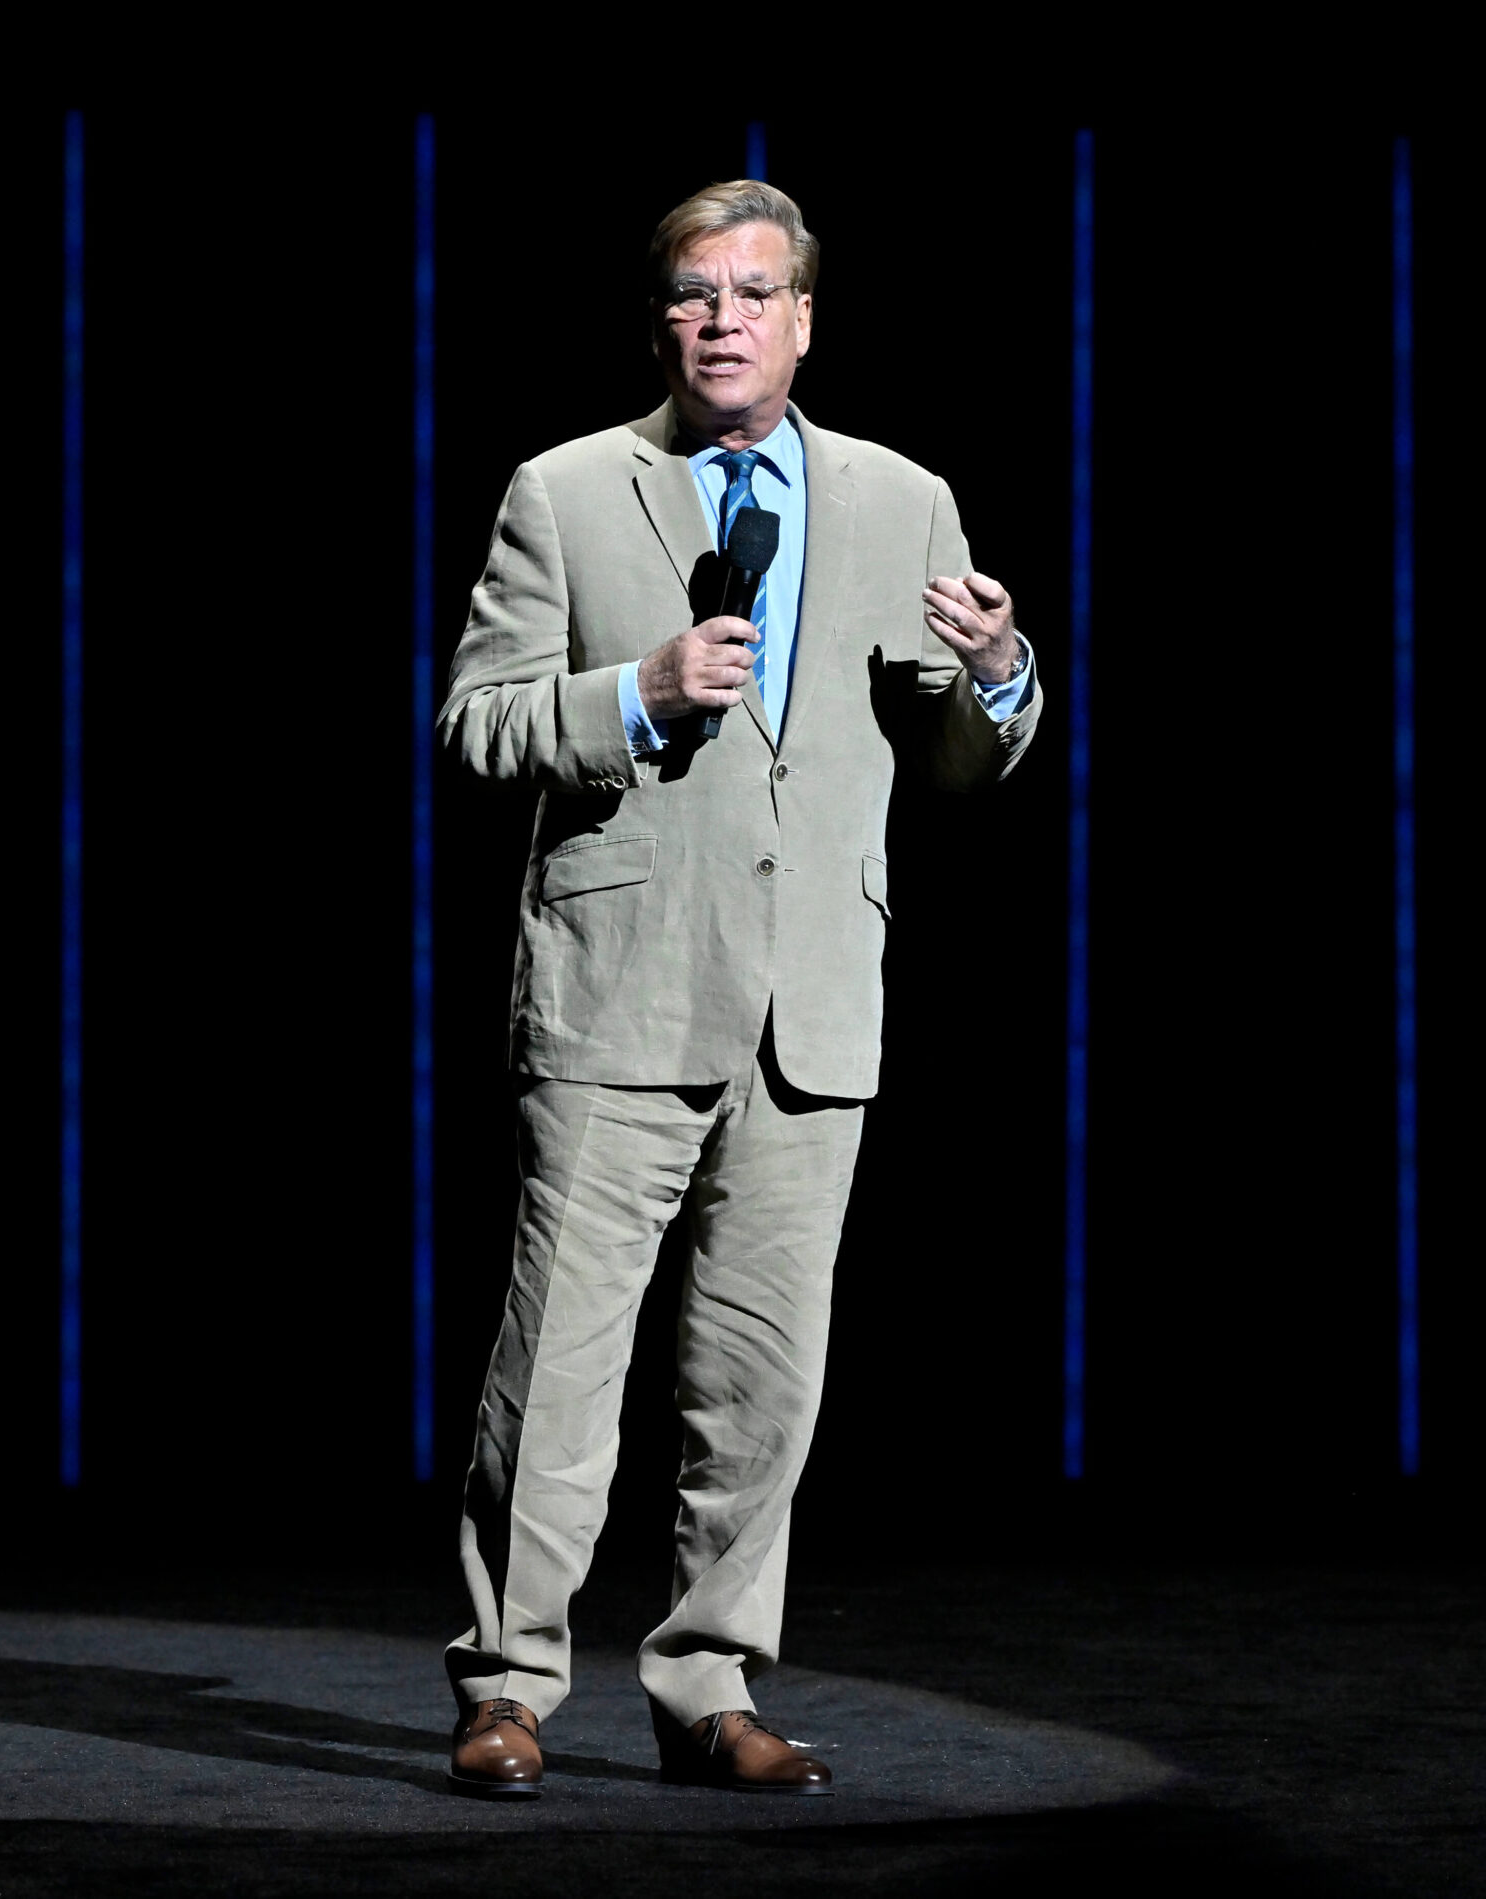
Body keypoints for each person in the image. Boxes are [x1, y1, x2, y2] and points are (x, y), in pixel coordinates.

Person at [435, 178, 1044, 1798]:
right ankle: (507, 1685)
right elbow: (478, 724)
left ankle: (707, 1685)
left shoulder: (906, 500)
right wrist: (631, 692)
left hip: (812, 1007)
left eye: (756, 293)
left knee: (759, 1380)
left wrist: (1000, 675)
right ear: (661, 322)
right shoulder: (569, 493)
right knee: (560, 1367)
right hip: (619, 991)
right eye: (697, 295)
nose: (726, 319)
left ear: (804, 318)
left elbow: (962, 762)